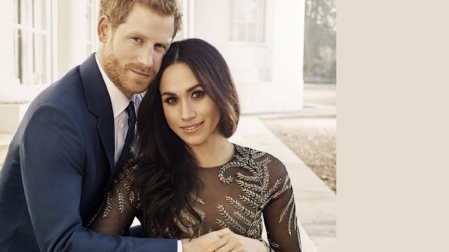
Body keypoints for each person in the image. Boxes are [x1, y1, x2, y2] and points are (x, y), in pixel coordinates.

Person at [0, 1, 267, 251]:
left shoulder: (141, 103)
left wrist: (228, 238)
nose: (147, 60)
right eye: (137, 39)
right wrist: (181, 248)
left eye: (160, 46)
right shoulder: (57, 117)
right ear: (104, 29)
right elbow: (62, 244)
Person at [88, 38, 302, 252]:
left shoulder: (267, 171)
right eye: (171, 100)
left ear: (221, 91)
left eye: (197, 94)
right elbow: (91, 247)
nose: (186, 114)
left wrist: (262, 249)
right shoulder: (141, 174)